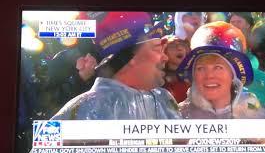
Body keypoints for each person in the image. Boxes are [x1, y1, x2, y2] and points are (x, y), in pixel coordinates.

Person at [51, 12, 181, 120]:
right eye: (157, 49)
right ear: (131, 57)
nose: (165, 57)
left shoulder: (163, 100)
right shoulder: (84, 110)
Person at [177, 21, 265, 119]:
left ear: (233, 74)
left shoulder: (251, 109)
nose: (209, 75)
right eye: (200, 68)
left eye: (218, 67)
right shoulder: (179, 116)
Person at [162, 35, 191, 103]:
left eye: (183, 45)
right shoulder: (159, 79)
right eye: (172, 46)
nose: (180, 48)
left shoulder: (192, 74)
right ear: (164, 52)